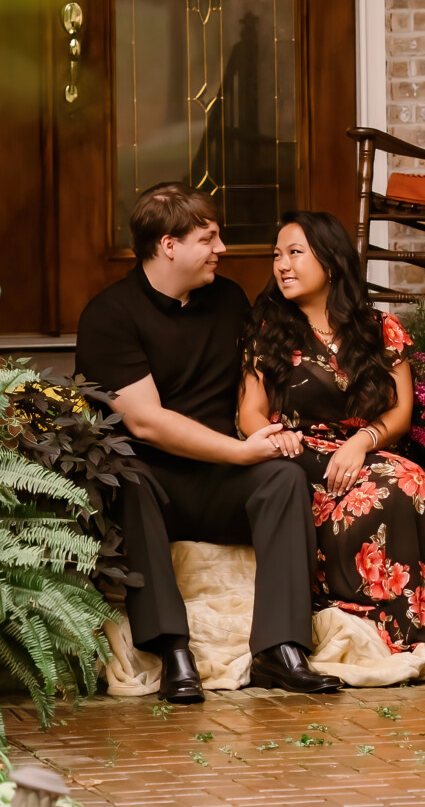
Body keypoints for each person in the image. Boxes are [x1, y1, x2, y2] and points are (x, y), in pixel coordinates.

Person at [75, 183, 342, 707]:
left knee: (284, 479)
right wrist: (241, 451)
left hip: (221, 480)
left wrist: (267, 432)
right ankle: (173, 648)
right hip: (158, 481)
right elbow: (147, 422)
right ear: (169, 245)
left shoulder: (228, 299)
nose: (221, 249)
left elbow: (255, 381)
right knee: (128, 477)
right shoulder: (110, 314)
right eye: (209, 238)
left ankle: (280, 649)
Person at [240, 210, 425, 655]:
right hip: (300, 459)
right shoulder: (268, 331)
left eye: (294, 253)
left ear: (330, 261)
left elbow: (401, 411)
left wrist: (362, 442)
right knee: (403, 483)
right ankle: (403, 617)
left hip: (366, 452)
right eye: (276, 255)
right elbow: (249, 411)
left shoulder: (380, 328)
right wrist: (271, 438)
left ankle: (412, 605)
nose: (281, 265)